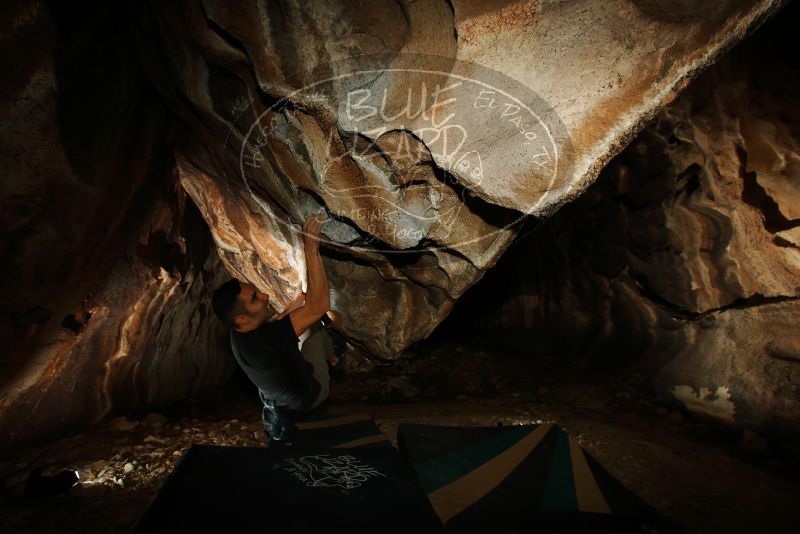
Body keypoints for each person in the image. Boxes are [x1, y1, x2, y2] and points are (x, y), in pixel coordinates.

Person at [210, 214, 342, 442]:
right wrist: (311, 247)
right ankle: (334, 357)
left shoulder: (238, 332)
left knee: (299, 331)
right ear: (242, 318)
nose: (264, 295)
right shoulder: (266, 339)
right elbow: (319, 306)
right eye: (255, 298)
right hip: (307, 397)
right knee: (317, 332)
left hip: (279, 400)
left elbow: (275, 325)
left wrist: (293, 304)